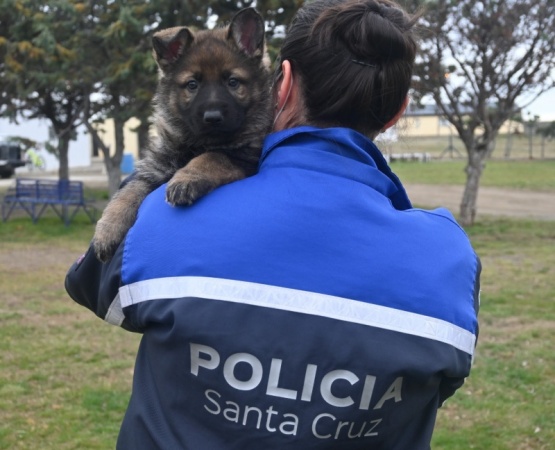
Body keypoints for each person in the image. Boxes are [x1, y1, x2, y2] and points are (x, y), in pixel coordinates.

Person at [66, 0, 480, 449]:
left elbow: (91, 282)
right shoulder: (449, 263)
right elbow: (436, 390)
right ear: (399, 110)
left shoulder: (161, 224)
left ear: (280, 84)